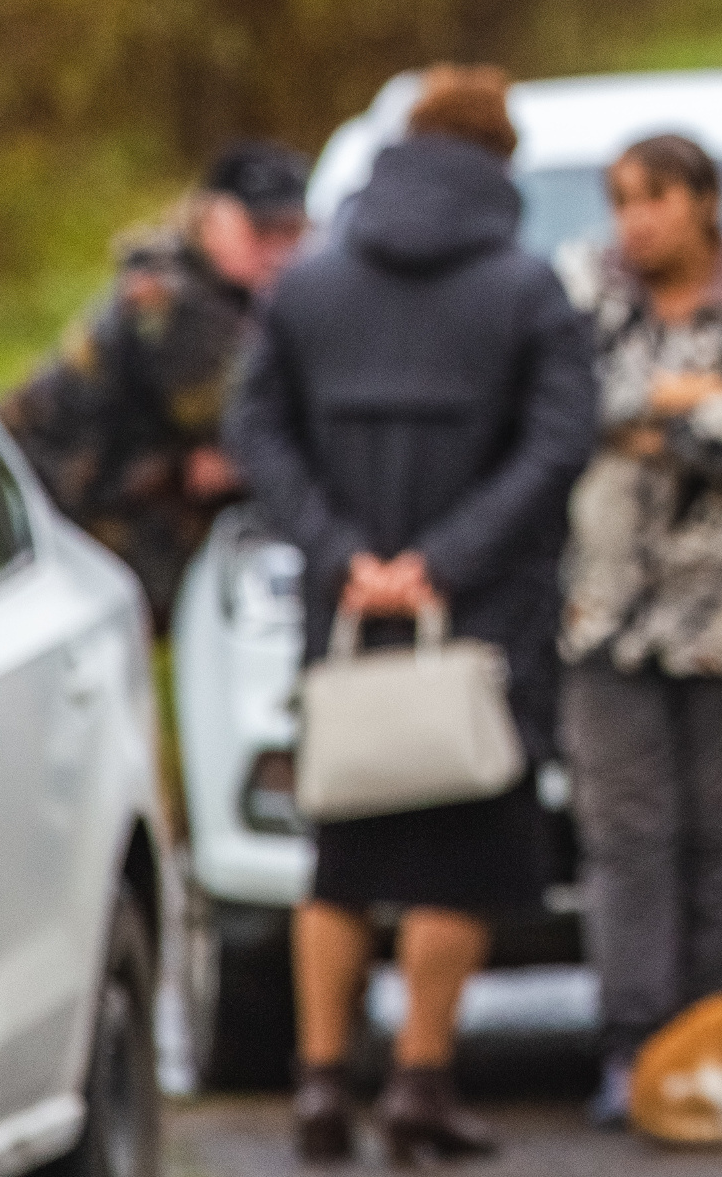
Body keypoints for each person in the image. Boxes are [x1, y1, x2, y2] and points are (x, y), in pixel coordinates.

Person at [226, 65, 596, 1164]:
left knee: (343, 850)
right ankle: (422, 1082)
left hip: (347, 622)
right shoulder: (529, 291)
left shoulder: (307, 288)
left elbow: (257, 434)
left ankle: (319, 1078)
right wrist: (445, 559)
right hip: (482, 622)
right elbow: (559, 441)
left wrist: (346, 556)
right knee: (464, 856)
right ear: (500, 163)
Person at [553, 133, 722, 1129]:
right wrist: (689, 401)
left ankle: (715, 1036)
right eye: (622, 200)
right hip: (607, 608)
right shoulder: (584, 284)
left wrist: (655, 424)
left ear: (704, 201)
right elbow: (569, 400)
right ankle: (633, 1043)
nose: (636, 221)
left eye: (655, 199)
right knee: (626, 833)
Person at [1, 139, 311, 629]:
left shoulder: (229, 288)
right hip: (54, 511)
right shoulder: (169, 304)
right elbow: (258, 425)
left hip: (115, 499)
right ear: (213, 217)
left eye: (292, 231)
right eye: (261, 230)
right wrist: (244, 457)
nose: (279, 249)